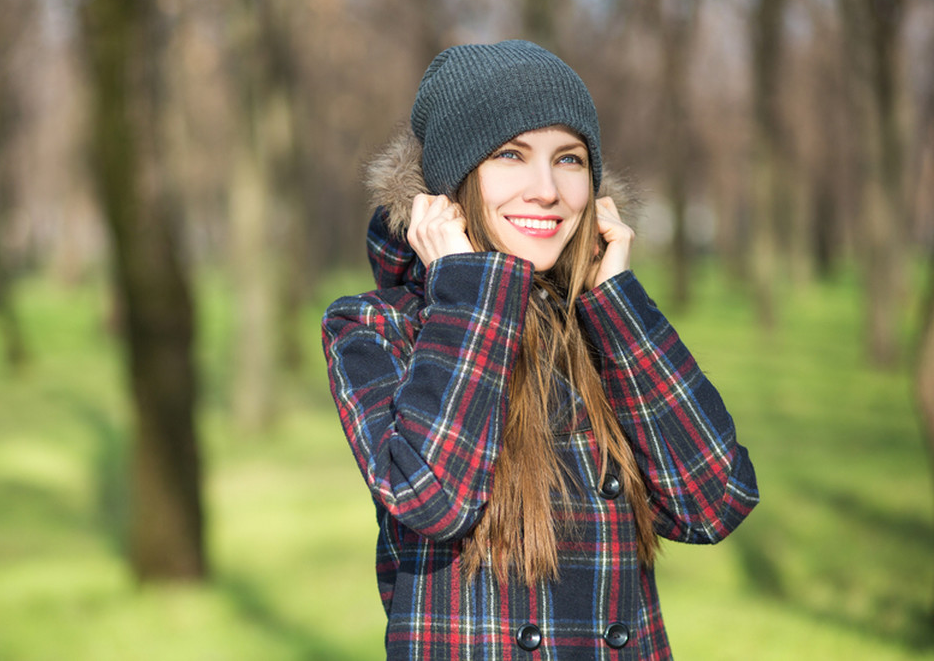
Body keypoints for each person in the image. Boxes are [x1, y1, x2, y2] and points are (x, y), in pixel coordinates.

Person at [321, 40, 759, 659]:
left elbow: (714, 503)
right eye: (510, 155)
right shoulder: (375, 328)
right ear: (448, 188)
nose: (547, 190)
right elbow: (431, 496)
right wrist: (470, 291)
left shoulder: (603, 324)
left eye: (570, 160)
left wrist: (618, 302)